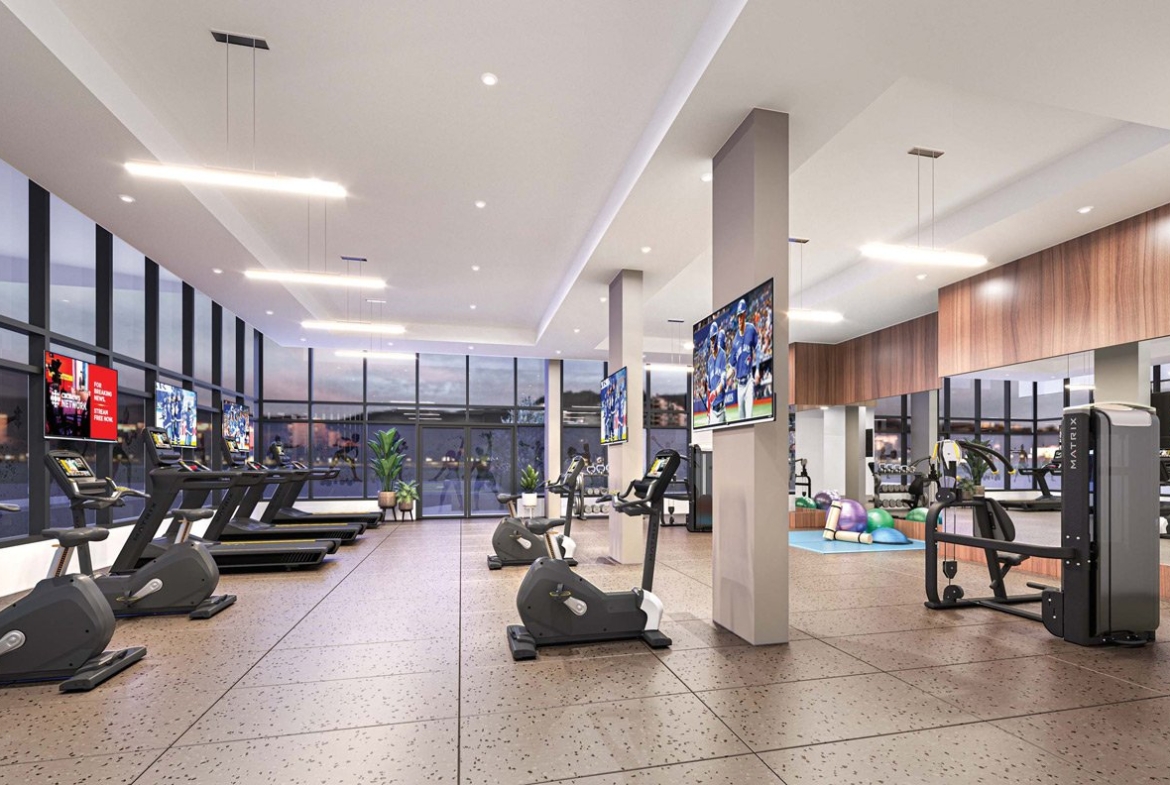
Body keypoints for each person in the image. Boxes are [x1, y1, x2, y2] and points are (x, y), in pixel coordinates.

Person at [730, 298, 760, 421]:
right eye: (739, 316)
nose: (740, 319)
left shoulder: (751, 329)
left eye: (742, 315)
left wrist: (757, 370)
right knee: (741, 420)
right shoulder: (735, 340)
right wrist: (722, 381)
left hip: (748, 381)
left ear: (745, 314)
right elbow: (732, 366)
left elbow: (758, 349)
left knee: (749, 417)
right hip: (739, 384)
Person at [705, 323, 727, 425]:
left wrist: (716, 392)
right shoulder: (709, 361)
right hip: (712, 410)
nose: (712, 341)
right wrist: (708, 409)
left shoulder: (722, 354)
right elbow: (709, 389)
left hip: (720, 408)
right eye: (711, 339)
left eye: (714, 338)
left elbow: (723, 378)